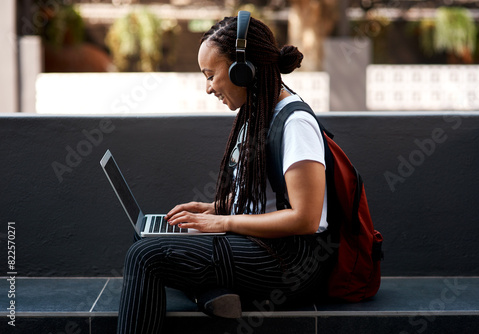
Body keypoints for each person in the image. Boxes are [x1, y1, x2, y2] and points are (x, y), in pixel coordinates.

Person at [117, 12, 335, 334]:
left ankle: (212, 292)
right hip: (263, 244)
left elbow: (305, 218)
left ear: (243, 71)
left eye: (210, 75)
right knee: (151, 234)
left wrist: (223, 222)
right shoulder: (258, 110)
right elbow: (270, 195)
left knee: (145, 257)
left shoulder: (295, 123)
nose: (208, 88)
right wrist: (215, 208)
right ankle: (215, 295)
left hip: (292, 260)